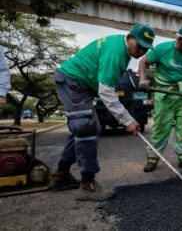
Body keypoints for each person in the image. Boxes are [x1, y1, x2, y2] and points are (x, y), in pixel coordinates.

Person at [51, 24, 155, 201]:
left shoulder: (123, 50)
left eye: (146, 48)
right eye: (139, 46)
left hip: (80, 85)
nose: (141, 51)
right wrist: (127, 120)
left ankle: (61, 175)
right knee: (86, 128)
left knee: (81, 128)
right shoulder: (116, 52)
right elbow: (106, 92)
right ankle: (87, 186)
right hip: (74, 82)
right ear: (129, 37)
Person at [138, 25, 182, 172]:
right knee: (161, 126)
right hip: (164, 93)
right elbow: (144, 62)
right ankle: (153, 158)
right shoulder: (162, 49)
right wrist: (144, 79)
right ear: (180, 39)